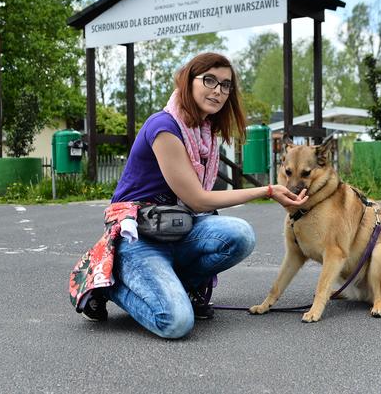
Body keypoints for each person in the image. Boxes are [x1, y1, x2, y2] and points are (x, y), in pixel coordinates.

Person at [74, 52, 307, 339]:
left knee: (241, 235)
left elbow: (197, 206)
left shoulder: (205, 132)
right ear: (188, 81)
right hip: (139, 234)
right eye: (209, 80)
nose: (218, 90)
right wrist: (268, 190)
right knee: (175, 322)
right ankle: (107, 284)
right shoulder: (164, 128)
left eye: (225, 85)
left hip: (179, 226)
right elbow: (197, 199)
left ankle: (179, 284)